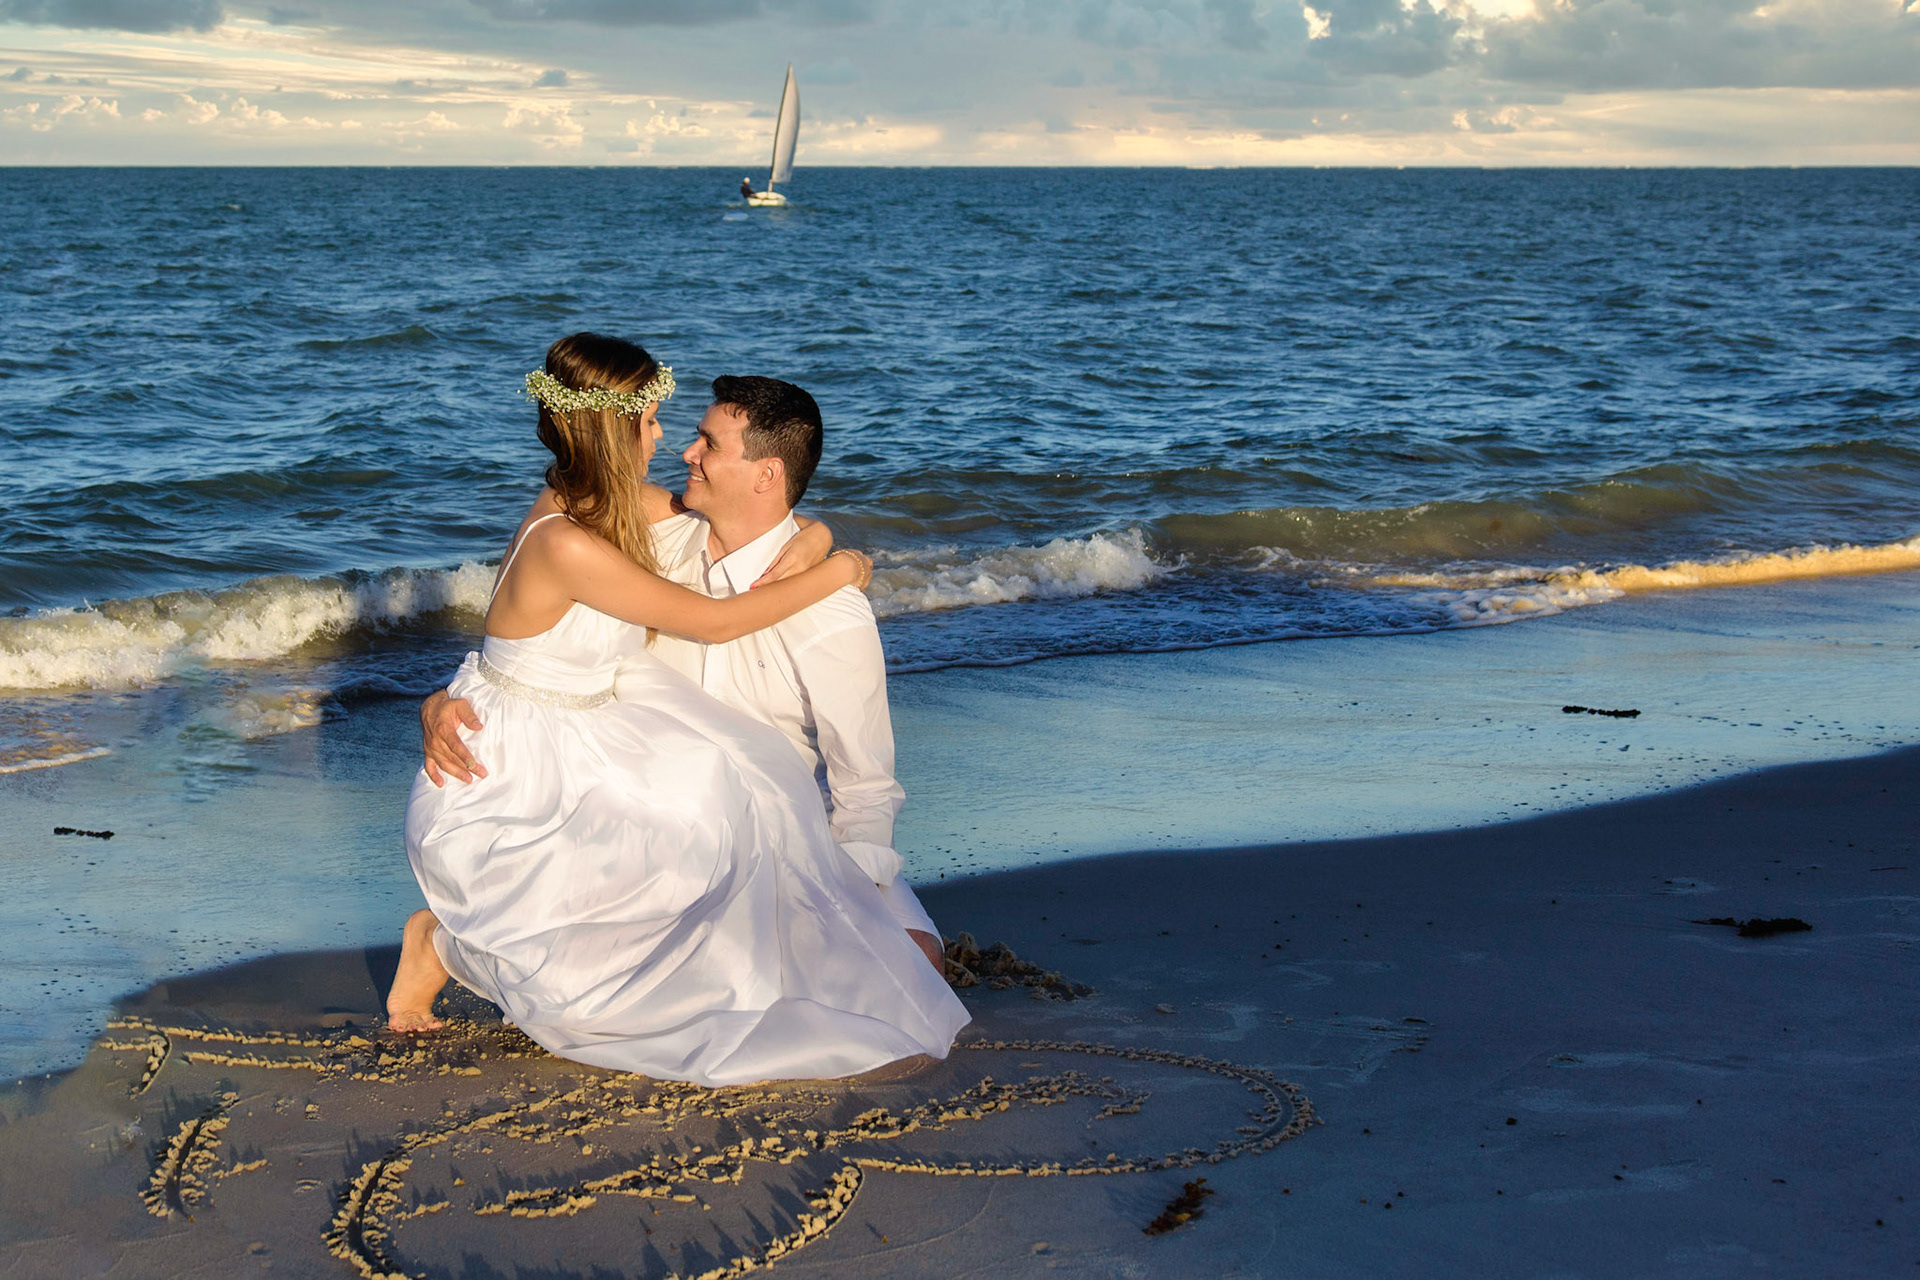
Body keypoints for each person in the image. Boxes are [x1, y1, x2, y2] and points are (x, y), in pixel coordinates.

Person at [392, 333, 969, 1087]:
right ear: (614, 426)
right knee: (614, 982)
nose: (678, 447)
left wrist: (833, 547)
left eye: (701, 438)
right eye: (662, 424)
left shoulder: (642, 519)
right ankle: (450, 945)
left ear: (763, 474)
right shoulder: (610, 536)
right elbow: (703, 621)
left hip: (745, 803)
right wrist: (838, 569)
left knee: (905, 970)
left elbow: (865, 786)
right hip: (592, 769)